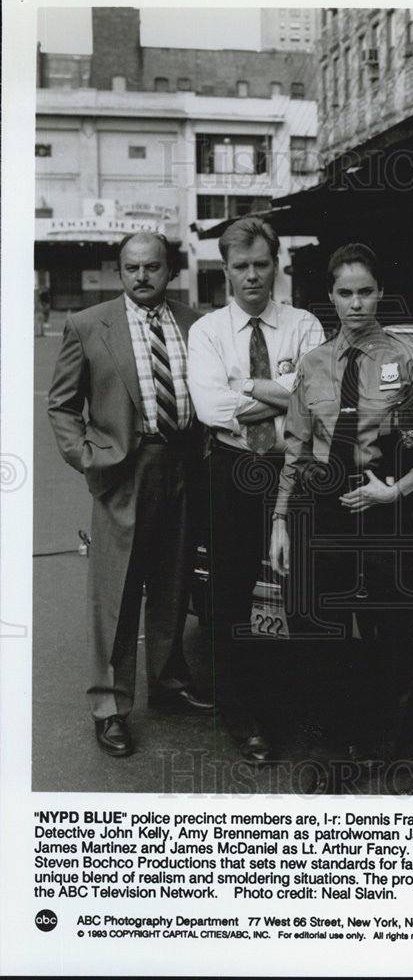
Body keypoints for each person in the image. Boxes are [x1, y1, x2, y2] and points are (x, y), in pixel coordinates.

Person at [269, 242, 413, 790]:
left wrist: (396, 491)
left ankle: (387, 751)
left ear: (379, 293)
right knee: (323, 634)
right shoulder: (314, 364)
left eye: (365, 292)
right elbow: (296, 449)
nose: (356, 304)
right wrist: (281, 520)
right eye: (345, 293)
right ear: (330, 297)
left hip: (383, 509)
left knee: (392, 633)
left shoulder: (405, 359)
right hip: (326, 509)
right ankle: (335, 751)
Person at [48, 232, 212, 759]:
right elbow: (62, 405)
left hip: (184, 463)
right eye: (132, 268)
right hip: (124, 467)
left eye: (153, 267)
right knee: (116, 590)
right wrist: (88, 458)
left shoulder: (194, 324)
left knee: (173, 581)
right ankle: (110, 706)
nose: (142, 277)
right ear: (119, 271)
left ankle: (167, 682)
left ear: (171, 271)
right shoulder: (87, 324)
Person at [187, 217, 324, 763]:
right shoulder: (207, 333)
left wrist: (240, 384)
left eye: (261, 264)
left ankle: (296, 707)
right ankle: (243, 716)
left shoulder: (304, 324)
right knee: (230, 592)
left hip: (294, 466)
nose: (252, 276)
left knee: (301, 589)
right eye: (240, 266)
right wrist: (279, 393)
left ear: (276, 265)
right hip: (232, 466)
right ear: (226, 270)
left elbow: (315, 397)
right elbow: (209, 409)